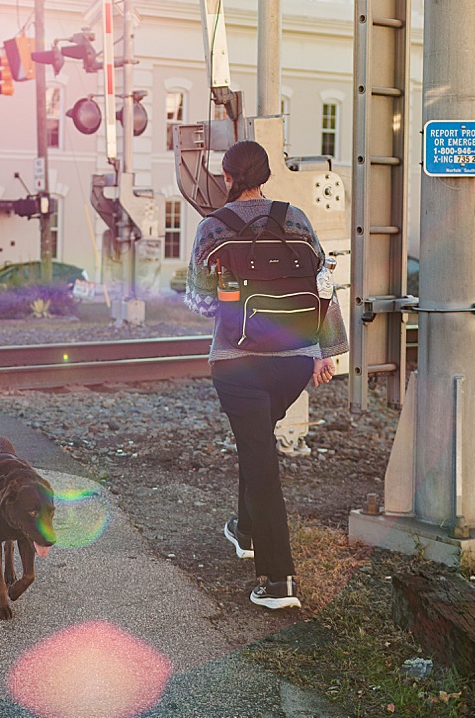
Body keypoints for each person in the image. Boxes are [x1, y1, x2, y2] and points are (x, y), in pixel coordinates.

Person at [184, 140, 347, 611]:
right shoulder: (295, 219)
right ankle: (247, 530)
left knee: (260, 459)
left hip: (237, 363)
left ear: (227, 175)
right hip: (294, 360)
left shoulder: (212, 228)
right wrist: (323, 351)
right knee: (255, 444)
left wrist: (228, 292)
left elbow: (198, 304)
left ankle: (278, 582)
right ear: (267, 175)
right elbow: (323, 283)